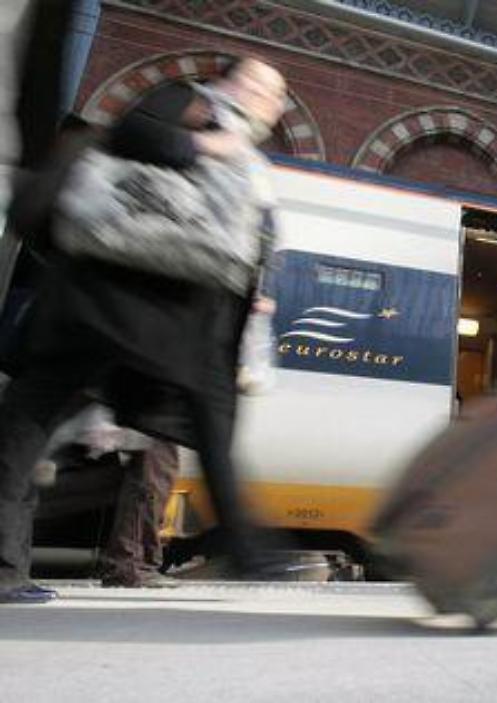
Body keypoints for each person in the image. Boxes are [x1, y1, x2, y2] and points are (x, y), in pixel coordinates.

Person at [0, 56, 290, 603]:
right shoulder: (188, 102)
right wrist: (213, 146)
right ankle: (243, 541)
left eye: (272, 95)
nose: (263, 101)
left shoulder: (248, 157)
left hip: (167, 312)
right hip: (108, 299)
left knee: (205, 417)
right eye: (253, 84)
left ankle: (244, 541)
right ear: (222, 81)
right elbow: (139, 135)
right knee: (26, 424)